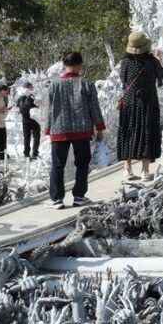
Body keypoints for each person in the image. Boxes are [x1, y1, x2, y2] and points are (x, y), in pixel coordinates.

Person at [45, 52, 105, 209]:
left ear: (63, 66)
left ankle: (57, 199)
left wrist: (48, 129)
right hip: (82, 130)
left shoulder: (54, 85)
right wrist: (100, 128)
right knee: (82, 164)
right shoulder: (87, 84)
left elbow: (49, 109)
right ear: (80, 66)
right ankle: (79, 196)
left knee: (58, 165)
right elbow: (95, 108)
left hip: (59, 130)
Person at [116, 31, 163, 181]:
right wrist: (160, 59)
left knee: (128, 132)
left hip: (129, 102)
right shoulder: (153, 62)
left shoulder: (125, 62)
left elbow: (123, 81)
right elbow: (161, 76)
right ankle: (145, 170)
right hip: (148, 102)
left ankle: (127, 168)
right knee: (146, 132)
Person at [16, 82, 41, 159]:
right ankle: (35, 153)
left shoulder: (20, 97)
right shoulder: (33, 96)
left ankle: (26, 153)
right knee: (36, 136)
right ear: (29, 87)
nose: (33, 88)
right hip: (34, 118)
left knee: (27, 136)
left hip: (25, 118)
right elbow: (38, 105)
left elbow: (18, 108)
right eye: (31, 86)